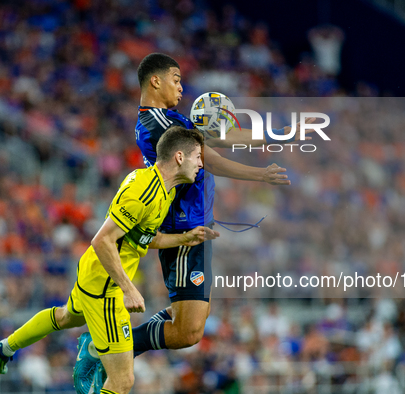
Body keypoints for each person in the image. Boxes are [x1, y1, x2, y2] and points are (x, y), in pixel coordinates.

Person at [75, 53, 302, 393]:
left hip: (195, 225)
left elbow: (215, 139)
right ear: (155, 81)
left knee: (192, 326)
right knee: (188, 332)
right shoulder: (156, 124)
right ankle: (101, 347)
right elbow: (212, 158)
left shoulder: (168, 118)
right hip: (181, 228)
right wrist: (261, 174)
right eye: (176, 79)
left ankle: (108, 347)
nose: (182, 87)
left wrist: (274, 136)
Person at [0, 126, 219, 394]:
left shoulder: (160, 189)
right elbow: (102, 239)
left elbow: (141, 239)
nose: (201, 164)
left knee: (64, 317)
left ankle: (3, 348)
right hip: (106, 289)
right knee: (122, 381)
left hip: (93, 273)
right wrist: (129, 288)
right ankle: (93, 348)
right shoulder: (144, 193)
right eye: (198, 157)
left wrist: (184, 238)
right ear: (179, 157)